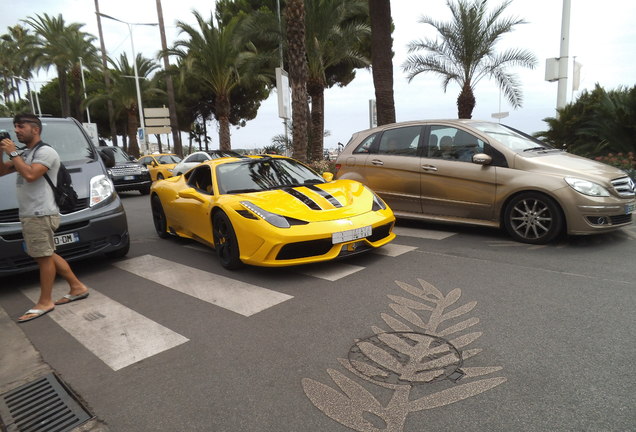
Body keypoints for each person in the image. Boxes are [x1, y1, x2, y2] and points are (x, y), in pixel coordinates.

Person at [0, 113, 89, 323]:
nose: (16, 131)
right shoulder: (25, 153)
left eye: (21, 126)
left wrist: (13, 153)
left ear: (35, 129)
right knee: (46, 254)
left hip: (40, 213)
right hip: (31, 213)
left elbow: (31, 175)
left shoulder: (46, 152)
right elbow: (2, 171)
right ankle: (77, 287)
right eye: (15, 127)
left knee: (43, 257)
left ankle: (45, 301)